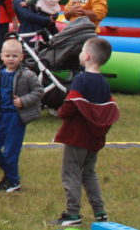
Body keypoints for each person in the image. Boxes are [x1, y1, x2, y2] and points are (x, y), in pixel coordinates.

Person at [49, 37, 120, 227]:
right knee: (89, 173)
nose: (80, 54)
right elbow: (107, 109)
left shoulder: (80, 80)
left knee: (71, 173)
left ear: (87, 56)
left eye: (81, 51)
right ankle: (100, 212)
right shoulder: (104, 83)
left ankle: (73, 214)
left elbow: (70, 107)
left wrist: (60, 112)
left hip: (77, 137)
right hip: (94, 138)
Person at [0, 38, 43, 193]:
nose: (11, 59)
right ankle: (11, 174)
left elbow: (39, 91)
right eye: (8, 55)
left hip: (17, 118)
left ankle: (13, 182)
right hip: (0, 117)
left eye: (14, 56)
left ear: (21, 57)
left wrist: (23, 101)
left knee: (11, 152)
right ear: (1, 56)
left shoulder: (28, 75)